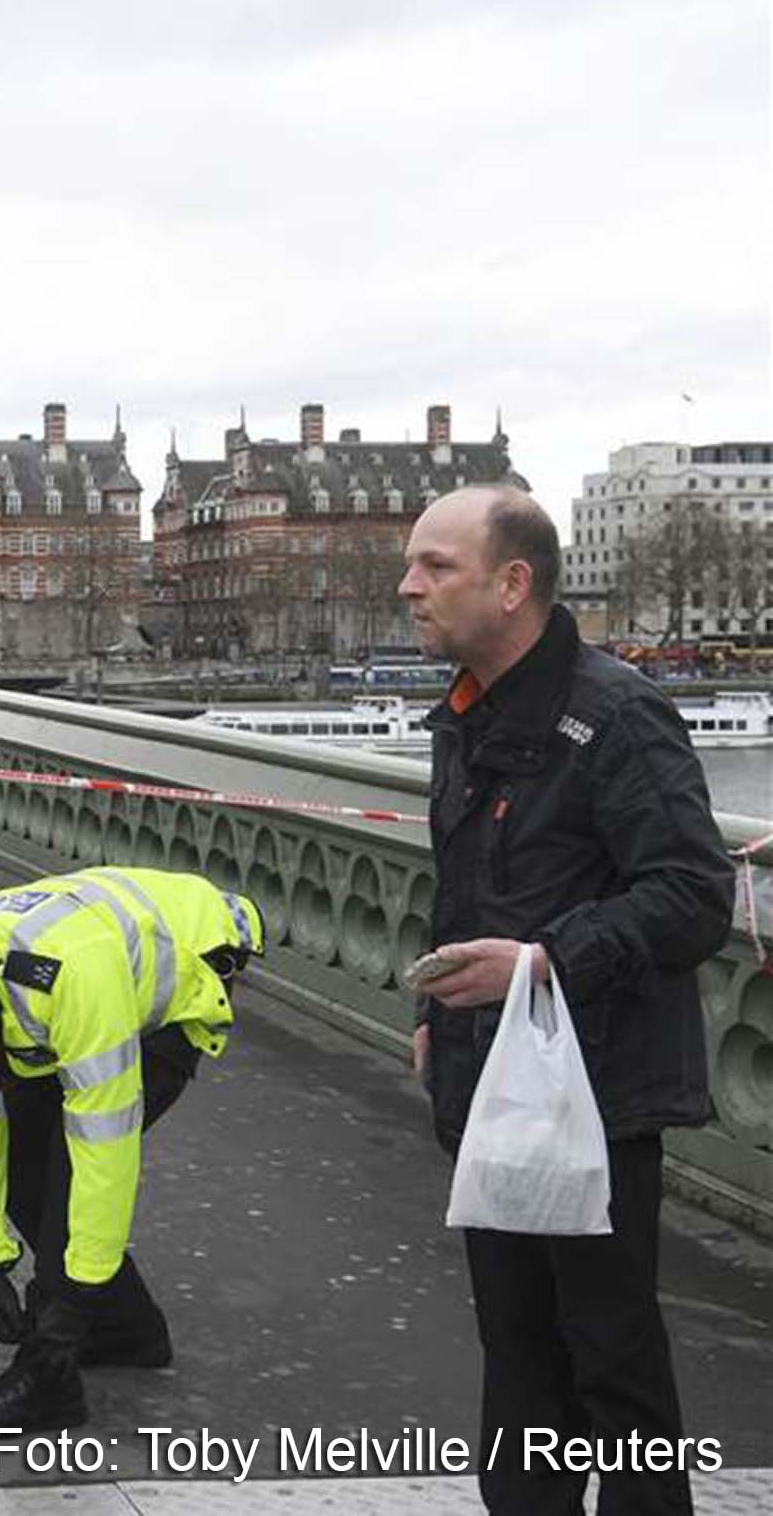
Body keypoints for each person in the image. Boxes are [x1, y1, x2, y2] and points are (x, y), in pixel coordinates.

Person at [399, 485, 731, 1516]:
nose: (409, 585)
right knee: (520, 1361)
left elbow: (691, 896)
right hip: (495, 1081)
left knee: (612, 1367)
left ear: (513, 583)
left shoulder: (619, 714)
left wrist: (540, 965)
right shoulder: (469, 710)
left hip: (596, 1095)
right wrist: (435, 1011)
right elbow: (475, 884)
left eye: (436, 566)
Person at [0, 870, 261, 1438]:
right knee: (26, 1165)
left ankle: (51, 1383)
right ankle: (130, 1334)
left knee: (69, 1172)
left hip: (182, 975)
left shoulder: (68, 975)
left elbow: (103, 1152)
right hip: (61, 992)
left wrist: (65, 1310)